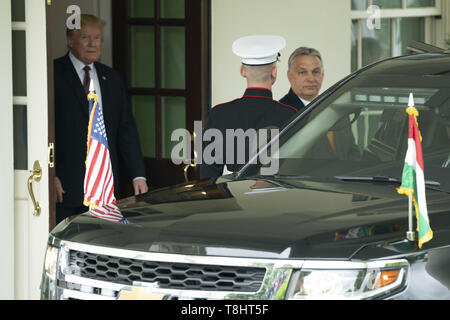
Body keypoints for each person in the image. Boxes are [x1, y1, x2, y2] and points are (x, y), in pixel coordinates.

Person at [54, 14, 148, 224]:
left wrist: (138, 175)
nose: (92, 44)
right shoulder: (53, 74)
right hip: (66, 188)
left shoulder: (112, 78)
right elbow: (39, 127)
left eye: (97, 38)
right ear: (70, 40)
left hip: (105, 190)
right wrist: (51, 175)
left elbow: (126, 129)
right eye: (85, 37)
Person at [200, 35, 298, 180]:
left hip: (235, 197)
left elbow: (208, 176)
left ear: (242, 71)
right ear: (274, 72)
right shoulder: (290, 115)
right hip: (278, 198)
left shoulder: (220, 114)